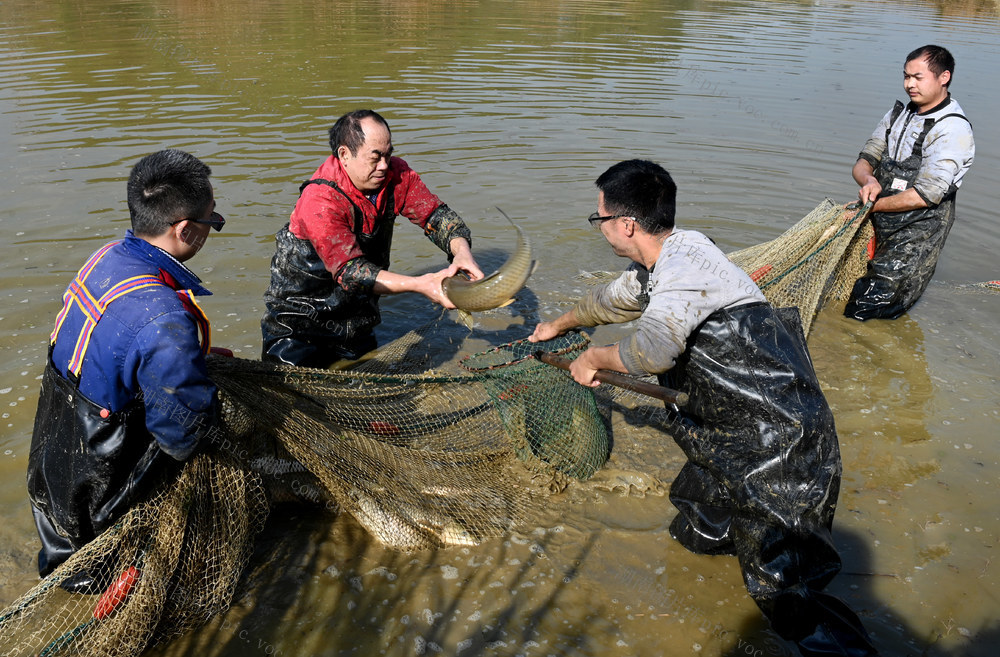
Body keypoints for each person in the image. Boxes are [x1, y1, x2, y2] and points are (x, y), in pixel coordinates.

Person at [529, 160, 877, 657]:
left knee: (785, 589)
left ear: (625, 224)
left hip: (780, 439)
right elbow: (611, 302)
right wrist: (558, 325)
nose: (599, 224)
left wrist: (594, 357)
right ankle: (701, 599)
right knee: (695, 528)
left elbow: (652, 351)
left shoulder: (685, 266)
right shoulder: (659, 262)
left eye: (599, 217)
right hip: (723, 429)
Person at [27, 149, 224, 590]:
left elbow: (113, 345)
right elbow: (180, 433)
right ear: (185, 229)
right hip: (102, 473)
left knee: (69, 558)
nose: (212, 231)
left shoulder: (107, 256)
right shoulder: (165, 319)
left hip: (52, 459)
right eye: (214, 222)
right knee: (119, 570)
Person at [261, 109, 484, 368]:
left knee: (364, 388)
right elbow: (351, 271)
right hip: (298, 327)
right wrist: (422, 284)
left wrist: (461, 253)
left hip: (356, 321)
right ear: (345, 155)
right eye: (375, 158)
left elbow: (437, 216)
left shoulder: (396, 176)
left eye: (388, 155)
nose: (385, 166)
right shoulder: (320, 199)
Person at [845, 44, 975, 320]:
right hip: (878, 218)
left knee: (868, 309)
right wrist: (869, 179)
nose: (909, 84)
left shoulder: (952, 128)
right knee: (850, 291)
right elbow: (866, 158)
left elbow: (926, 196)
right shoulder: (898, 114)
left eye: (918, 77)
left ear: (944, 77)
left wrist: (873, 206)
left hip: (917, 230)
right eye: (906, 76)